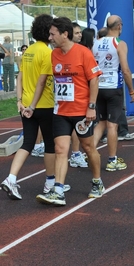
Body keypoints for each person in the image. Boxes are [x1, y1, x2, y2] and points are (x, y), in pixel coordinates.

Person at [1, 14, 71, 200]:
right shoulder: (47, 53)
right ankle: (50, 182)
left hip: (25, 104)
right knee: (49, 143)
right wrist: (33, 105)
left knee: (28, 143)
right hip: (44, 105)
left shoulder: (29, 51)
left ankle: (11, 178)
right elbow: (42, 82)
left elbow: (20, 77)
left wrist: (19, 101)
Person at [36, 17, 104, 206]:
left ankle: (97, 182)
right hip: (61, 111)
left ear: (64, 34)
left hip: (82, 111)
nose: (50, 37)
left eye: (52, 34)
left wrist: (91, 106)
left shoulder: (83, 53)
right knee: (60, 149)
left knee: (88, 148)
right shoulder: (54, 54)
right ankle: (58, 190)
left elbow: (94, 80)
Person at [92, 15, 134, 172]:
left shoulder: (96, 43)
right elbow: (125, 69)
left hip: (98, 87)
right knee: (112, 126)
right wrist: (131, 90)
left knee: (101, 123)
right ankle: (112, 160)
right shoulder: (119, 44)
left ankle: (91, 153)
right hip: (113, 88)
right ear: (119, 26)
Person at [67, 22, 89, 168]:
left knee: (79, 130)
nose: (80, 35)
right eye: (77, 33)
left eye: (80, 32)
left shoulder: (83, 51)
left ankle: (75, 153)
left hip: (79, 98)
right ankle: (75, 153)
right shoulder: (58, 52)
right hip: (66, 100)